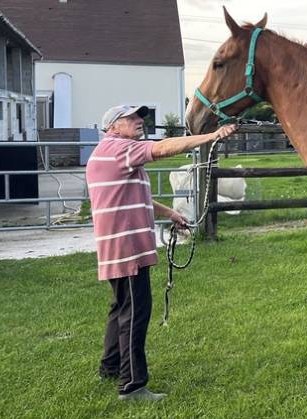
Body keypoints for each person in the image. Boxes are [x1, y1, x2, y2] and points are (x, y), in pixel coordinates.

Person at [87, 104, 237, 401]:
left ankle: (111, 366)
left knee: (121, 308)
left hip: (117, 248)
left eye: (140, 117)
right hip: (128, 249)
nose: (139, 121)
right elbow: (163, 148)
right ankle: (132, 386)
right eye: (131, 118)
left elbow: (132, 193)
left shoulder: (107, 152)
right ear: (113, 126)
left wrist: (169, 212)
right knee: (135, 313)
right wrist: (212, 135)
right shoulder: (119, 149)